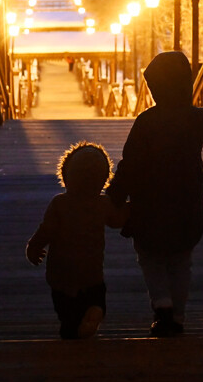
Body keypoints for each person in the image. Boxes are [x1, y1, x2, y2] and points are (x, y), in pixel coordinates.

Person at [107, 51, 203, 337]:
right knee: (181, 262)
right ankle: (178, 316)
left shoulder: (147, 123)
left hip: (150, 209)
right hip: (188, 207)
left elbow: (130, 165)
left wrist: (114, 196)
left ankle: (162, 304)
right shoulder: (198, 120)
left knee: (151, 258)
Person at [26, 142, 128, 339]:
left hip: (62, 272)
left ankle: (71, 330)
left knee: (65, 310)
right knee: (96, 295)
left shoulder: (59, 203)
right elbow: (118, 220)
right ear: (103, 178)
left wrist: (34, 246)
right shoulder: (103, 204)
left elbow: (46, 230)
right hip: (92, 271)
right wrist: (132, 208)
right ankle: (96, 309)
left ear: (67, 173)